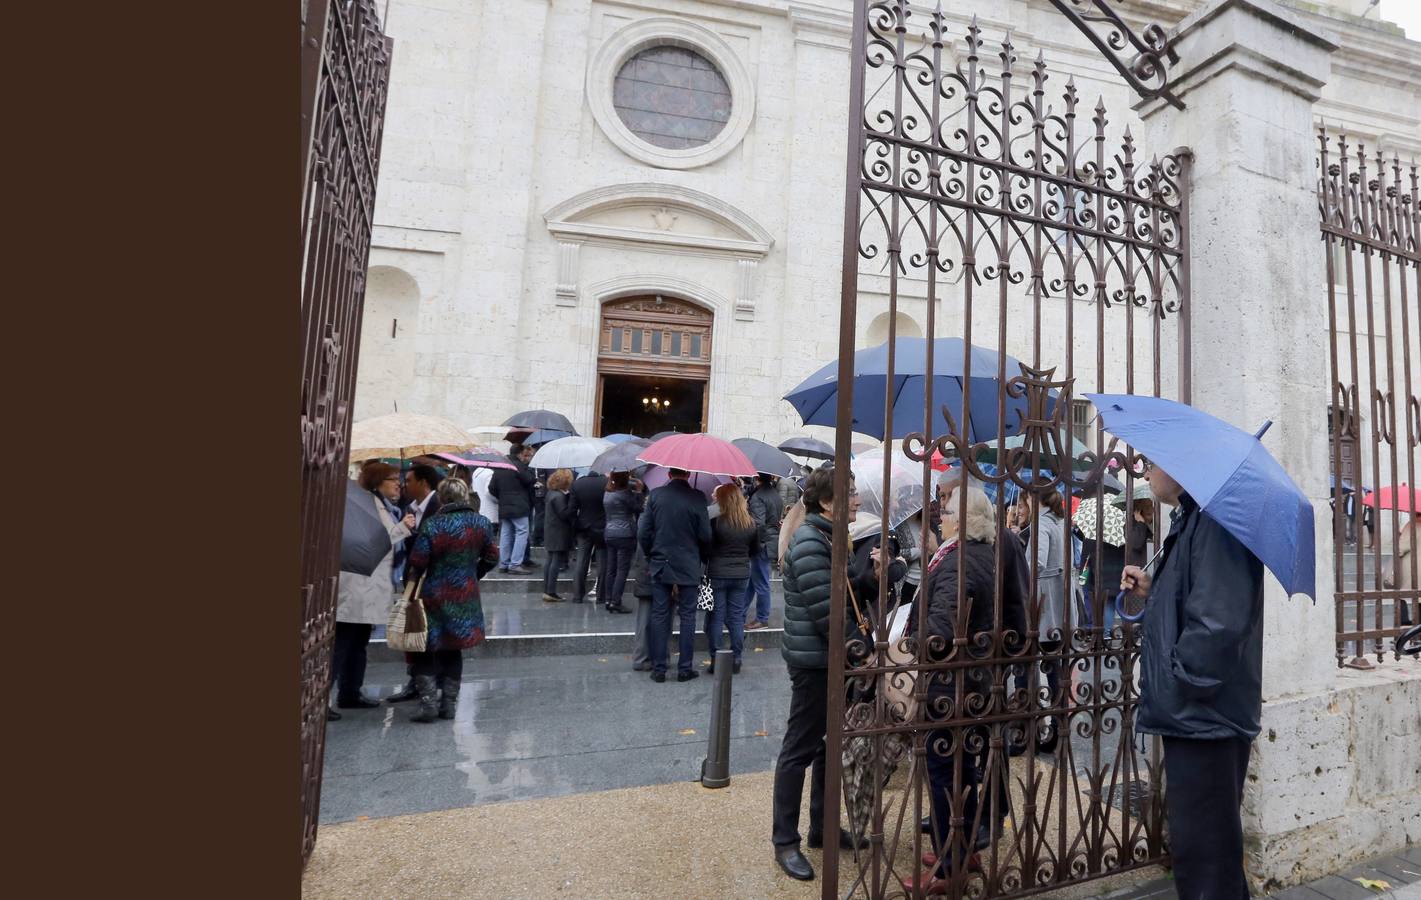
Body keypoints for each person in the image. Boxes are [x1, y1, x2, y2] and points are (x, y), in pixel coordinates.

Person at [1119, 461, 1264, 900]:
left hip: (1205, 716)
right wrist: (1153, 588)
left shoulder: (1216, 524)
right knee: (1206, 854)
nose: (1144, 472)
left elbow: (1218, 624)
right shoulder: (1193, 519)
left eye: (1150, 463)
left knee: (1207, 861)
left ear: (1182, 468)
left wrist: (1181, 681)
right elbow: (1197, 599)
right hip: (1196, 715)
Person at [901, 486, 1028, 895]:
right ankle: (964, 850)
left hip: (949, 685)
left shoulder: (959, 563)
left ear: (965, 518)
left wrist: (911, 647)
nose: (941, 516)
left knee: (944, 773)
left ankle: (947, 868)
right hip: (972, 681)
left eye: (948, 511)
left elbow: (941, 633)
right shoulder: (979, 554)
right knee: (963, 769)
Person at [771, 467, 883, 882]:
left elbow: (846, 591)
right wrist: (864, 652)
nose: (856, 500)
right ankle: (785, 840)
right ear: (827, 503)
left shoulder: (828, 538)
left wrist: (870, 578)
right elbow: (828, 614)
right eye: (850, 494)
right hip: (814, 662)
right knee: (799, 750)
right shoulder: (812, 542)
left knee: (825, 747)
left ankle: (821, 829)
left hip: (828, 660)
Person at [404, 478, 501, 722]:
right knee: (453, 648)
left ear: (442, 498)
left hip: (433, 594)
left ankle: (428, 705)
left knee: (424, 647)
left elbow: (418, 561)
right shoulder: (481, 523)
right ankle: (448, 704)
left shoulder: (433, 524)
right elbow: (492, 557)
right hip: (465, 594)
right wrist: (472, 574)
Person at [332, 462, 415, 719]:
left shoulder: (385, 506)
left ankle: (350, 693)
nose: (398, 483)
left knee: (358, 643)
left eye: (398, 478)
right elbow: (373, 541)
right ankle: (323, 698)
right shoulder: (369, 504)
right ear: (377, 482)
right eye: (392, 479)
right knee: (342, 645)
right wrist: (403, 527)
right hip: (356, 587)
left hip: (370, 588)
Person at [637, 467, 712, 683]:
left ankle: (659, 668)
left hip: (661, 562)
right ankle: (685, 668)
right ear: (688, 475)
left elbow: (643, 532)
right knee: (688, 616)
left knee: (660, 614)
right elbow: (705, 535)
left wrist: (653, 554)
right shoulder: (698, 497)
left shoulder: (656, 495)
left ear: (669, 474)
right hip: (688, 564)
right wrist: (700, 556)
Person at [1020, 487, 1073, 754]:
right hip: (1060, 603)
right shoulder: (1061, 521)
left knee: (1028, 667)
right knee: (1056, 670)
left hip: (1043, 605)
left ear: (1034, 498)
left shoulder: (1041, 523)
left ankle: (1027, 730)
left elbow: (1036, 564)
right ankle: (1059, 727)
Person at [706, 483, 759, 673]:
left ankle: (716, 659)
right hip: (741, 574)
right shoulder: (750, 523)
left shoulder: (716, 521)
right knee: (736, 617)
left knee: (717, 617)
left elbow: (708, 548)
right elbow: (755, 550)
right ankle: (736, 658)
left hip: (718, 573)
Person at [745, 473, 784, 630]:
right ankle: (739, 612)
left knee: (760, 582)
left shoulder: (758, 497)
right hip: (770, 541)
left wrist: (754, 543)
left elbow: (758, 524)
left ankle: (762, 618)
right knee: (753, 581)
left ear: (757, 478)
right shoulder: (775, 494)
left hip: (762, 543)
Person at [601, 472, 642, 614]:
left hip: (609, 532)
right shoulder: (625, 494)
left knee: (611, 568)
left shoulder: (607, 493)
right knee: (622, 570)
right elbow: (638, 508)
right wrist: (638, 491)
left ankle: (608, 599)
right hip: (625, 534)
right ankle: (616, 601)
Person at [491, 443, 536, 573]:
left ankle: (503, 564)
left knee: (506, 534)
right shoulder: (519, 465)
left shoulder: (500, 466)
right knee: (522, 532)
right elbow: (529, 480)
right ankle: (515, 564)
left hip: (504, 506)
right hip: (519, 506)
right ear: (520, 453)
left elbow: (491, 488)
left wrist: (503, 497)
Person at [569, 470, 609, 604]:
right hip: (602, 527)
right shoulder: (606, 483)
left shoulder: (577, 484)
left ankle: (577, 595)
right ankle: (601, 595)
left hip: (583, 527)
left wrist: (575, 525)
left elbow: (572, 509)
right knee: (603, 562)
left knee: (581, 562)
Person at [540, 469, 575, 603]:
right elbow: (564, 514)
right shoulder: (559, 497)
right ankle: (551, 591)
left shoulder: (551, 494)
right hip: (559, 532)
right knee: (555, 561)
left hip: (551, 530)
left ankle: (547, 590)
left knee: (550, 560)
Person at [1381, 512, 1419, 627]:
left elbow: (1401, 548)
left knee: (1400, 593)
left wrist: (1399, 538)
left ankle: (1403, 620)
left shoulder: (1413, 525)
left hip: (1413, 568)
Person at [405, 464, 444, 529]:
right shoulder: (409, 508)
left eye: (408, 481)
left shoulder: (440, 507)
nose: (404, 485)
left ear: (422, 482)